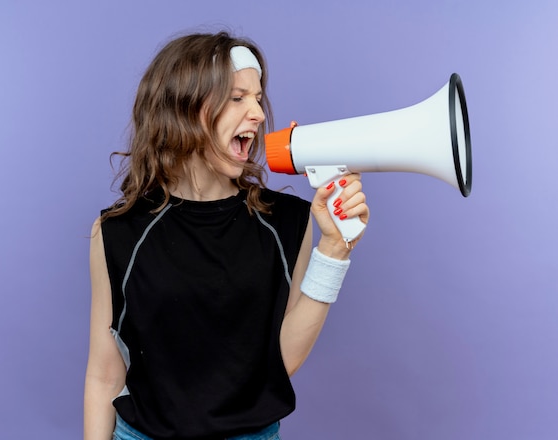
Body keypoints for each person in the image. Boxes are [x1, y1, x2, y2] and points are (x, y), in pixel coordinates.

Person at [84, 31, 369, 440]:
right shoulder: (116, 233)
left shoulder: (289, 222)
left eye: (257, 97)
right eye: (237, 98)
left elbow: (279, 362)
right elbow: (103, 376)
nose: (256, 112)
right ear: (183, 106)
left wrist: (334, 250)